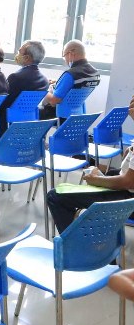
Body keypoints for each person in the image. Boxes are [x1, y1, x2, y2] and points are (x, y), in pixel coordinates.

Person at [46, 94, 134, 233]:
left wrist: (97, 180)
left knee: (55, 197)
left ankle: (75, 244)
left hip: (129, 198)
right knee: (111, 173)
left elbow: (128, 182)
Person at [40, 40, 100, 121]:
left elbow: (54, 101)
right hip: (78, 115)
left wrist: (45, 89)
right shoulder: (95, 73)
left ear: (70, 54)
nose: (65, 60)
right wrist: (58, 83)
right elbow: (75, 87)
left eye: (64, 56)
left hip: (62, 116)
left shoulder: (70, 74)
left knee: (37, 112)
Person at [0, 40, 49, 133]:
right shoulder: (44, 81)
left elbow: (3, 103)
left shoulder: (16, 77)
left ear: (27, 57)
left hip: (8, 124)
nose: (17, 55)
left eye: (19, 52)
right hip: (29, 123)